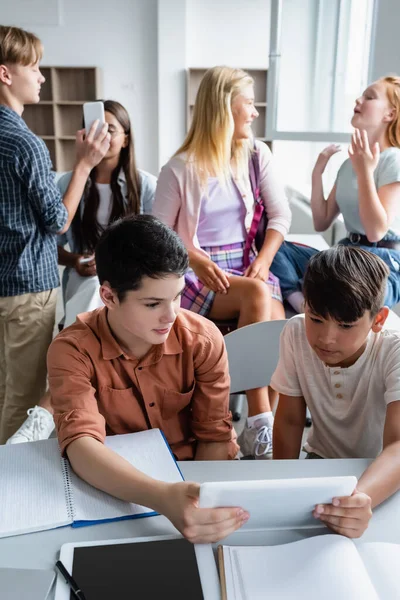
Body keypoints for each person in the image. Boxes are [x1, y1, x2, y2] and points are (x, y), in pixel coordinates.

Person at [47, 214, 246, 544]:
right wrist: (163, 497)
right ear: (109, 297)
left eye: (177, 297)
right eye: (153, 303)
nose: (170, 316)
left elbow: (214, 435)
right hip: (113, 487)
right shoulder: (71, 350)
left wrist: (202, 503)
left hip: (196, 480)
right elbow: (81, 445)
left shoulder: (203, 339)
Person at [153, 66, 292, 459]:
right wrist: (194, 260)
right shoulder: (179, 168)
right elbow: (159, 233)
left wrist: (264, 261)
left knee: (282, 330)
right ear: (223, 107)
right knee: (256, 295)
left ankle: (264, 432)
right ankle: (261, 417)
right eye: (248, 103)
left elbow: (280, 217)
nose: (254, 112)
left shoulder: (255, 155)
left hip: (250, 265)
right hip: (197, 272)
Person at [6, 99, 157, 445]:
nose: (102, 137)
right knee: (92, 288)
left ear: (126, 139)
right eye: (95, 129)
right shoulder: (67, 183)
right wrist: (75, 260)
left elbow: (155, 249)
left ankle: (45, 411)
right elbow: (49, 242)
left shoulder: (145, 186)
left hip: (128, 286)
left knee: (96, 294)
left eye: (111, 130)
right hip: (85, 280)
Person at [0, 25, 110, 444]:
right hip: (28, 288)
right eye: (34, 66)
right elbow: (58, 221)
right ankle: (11, 491)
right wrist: (84, 164)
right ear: (6, 74)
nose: (42, 77)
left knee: (2, 390)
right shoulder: (25, 144)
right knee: (25, 399)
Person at [272, 246, 400, 538]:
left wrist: (359, 500)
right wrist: (280, 484)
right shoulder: (294, 333)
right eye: (315, 319)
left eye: (345, 326)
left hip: (384, 474)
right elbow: (291, 420)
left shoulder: (395, 348)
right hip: (322, 462)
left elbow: (397, 447)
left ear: (378, 320)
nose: (326, 338)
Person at [270, 75, 400, 313]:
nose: (359, 100)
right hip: (345, 255)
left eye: (369, 97)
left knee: (341, 282)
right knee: (274, 245)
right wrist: (317, 174)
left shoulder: (393, 159)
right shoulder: (350, 164)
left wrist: (364, 173)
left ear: (389, 114)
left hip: (383, 263)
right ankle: (301, 303)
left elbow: (376, 230)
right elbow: (322, 221)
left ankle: (318, 294)